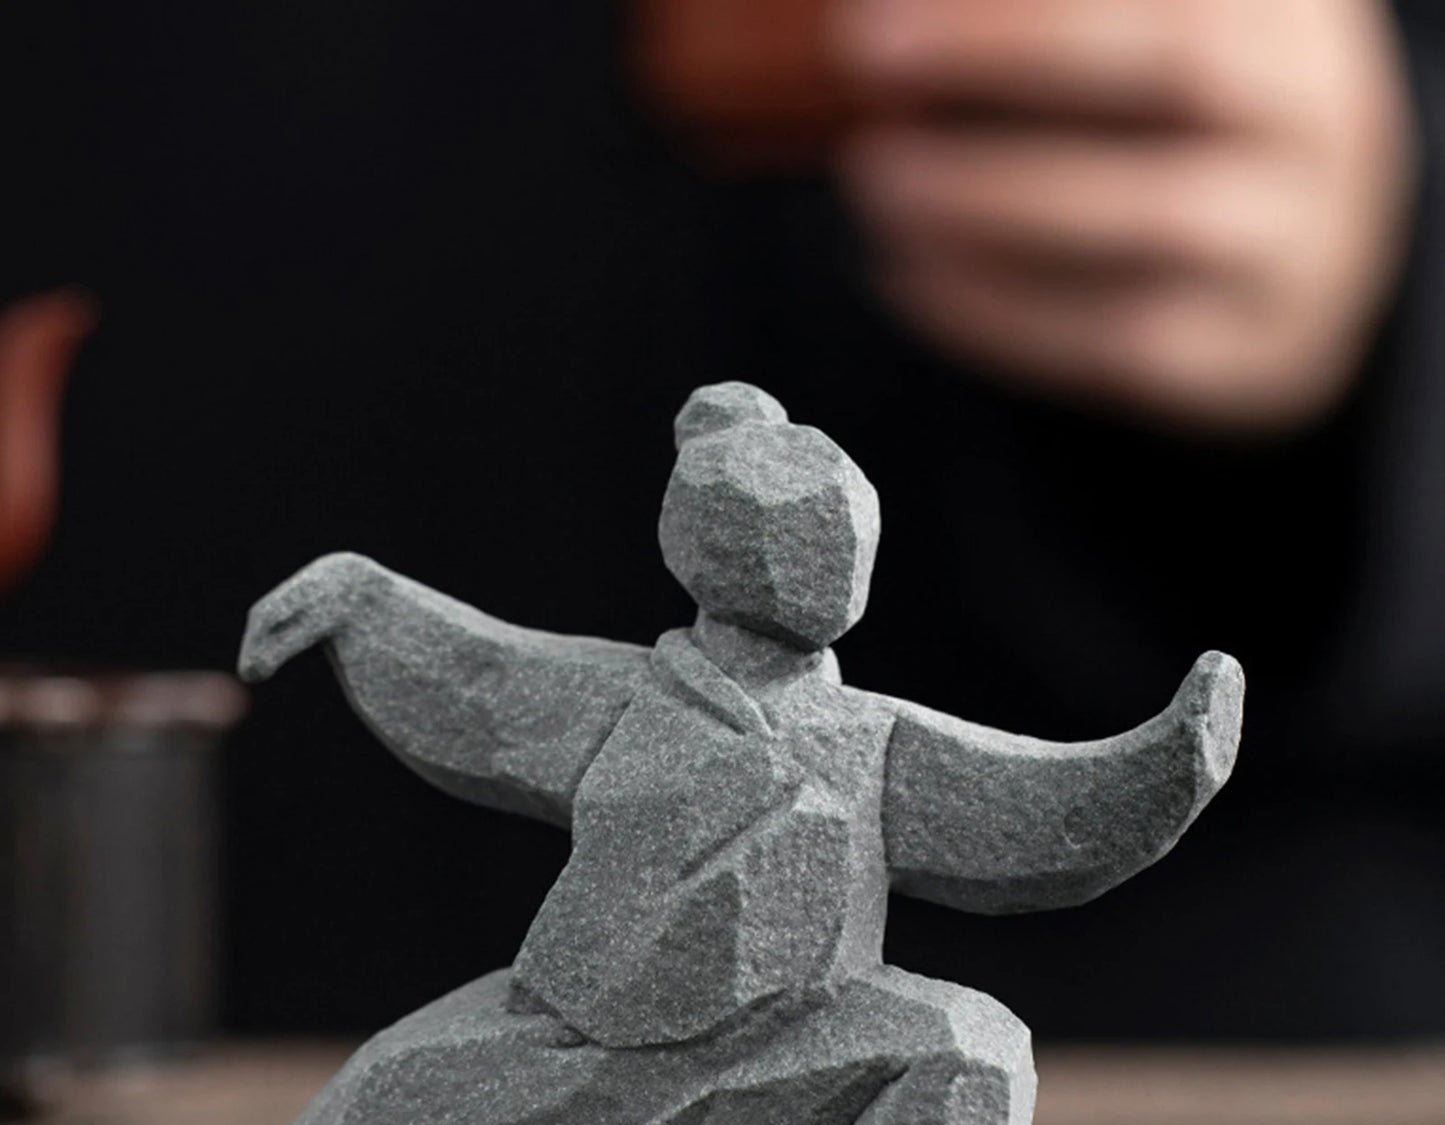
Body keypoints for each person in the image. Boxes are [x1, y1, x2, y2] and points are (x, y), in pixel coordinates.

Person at [0, 1, 1440, 1038]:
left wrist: (1395, 225)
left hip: (1186, 1033)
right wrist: (354, 604)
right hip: (254, 1002)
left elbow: (1042, 807)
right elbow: (483, 689)